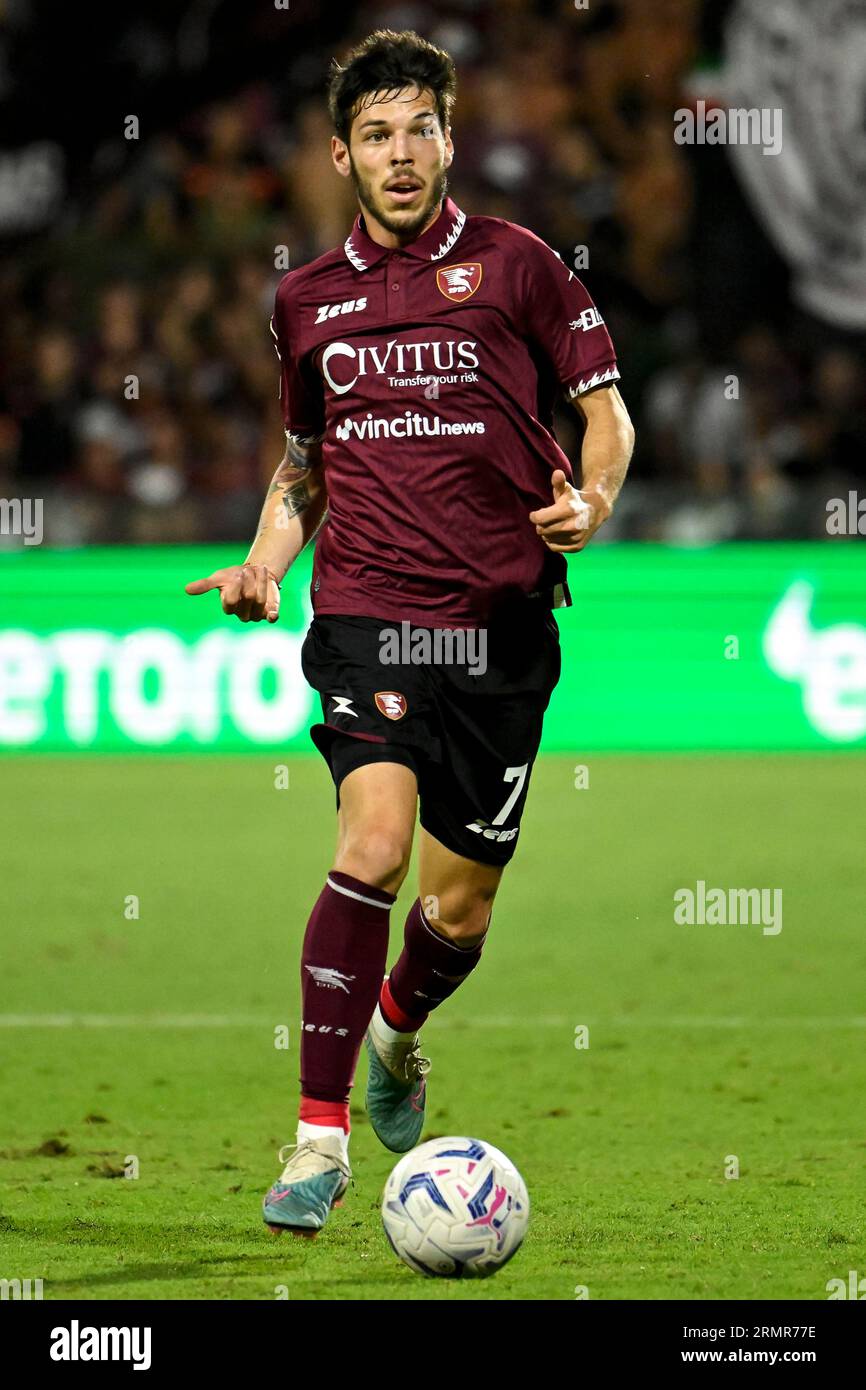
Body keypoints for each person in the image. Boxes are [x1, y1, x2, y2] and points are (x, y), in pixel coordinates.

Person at [186, 29, 634, 1237]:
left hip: (498, 632)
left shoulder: (519, 265)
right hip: (367, 623)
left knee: (459, 912)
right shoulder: (304, 300)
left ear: (448, 138)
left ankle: (394, 1032)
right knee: (371, 847)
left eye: (417, 129)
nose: (398, 152)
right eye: (374, 134)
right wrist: (267, 563)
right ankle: (315, 1141)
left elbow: (606, 414)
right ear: (341, 154)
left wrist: (589, 503)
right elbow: (303, 461)